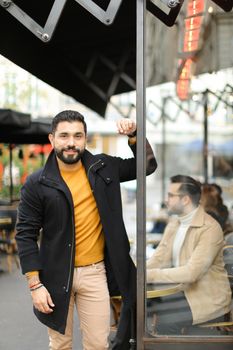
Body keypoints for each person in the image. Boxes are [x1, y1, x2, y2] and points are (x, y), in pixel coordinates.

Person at [16, 110, 157, 350]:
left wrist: (135, 135)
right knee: (60, 345)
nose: (71, 143)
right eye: (64, 136)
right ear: (52, 139)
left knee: (98, 345)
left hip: (95, 273)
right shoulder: (36, 183)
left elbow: (147, 166)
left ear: (85, 138)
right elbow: (25, 234)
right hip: (54, 275)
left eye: (78, 136)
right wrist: (35, 285)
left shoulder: (104, 168)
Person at [147, 175, 232, 335]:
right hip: (182, 293)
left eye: (171, 196)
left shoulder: (210, 228)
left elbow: (192, 273)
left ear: (185, 200)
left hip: (207, 301)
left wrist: (148, 275)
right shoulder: (175, 223)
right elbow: (159, 259)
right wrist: (135, 271)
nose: (166, 200)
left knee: (161, 321)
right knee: (137, 306)